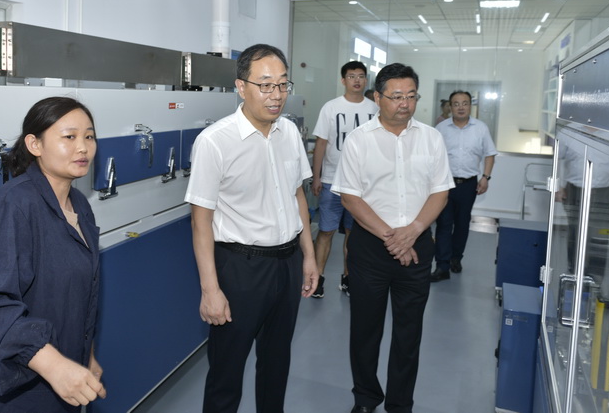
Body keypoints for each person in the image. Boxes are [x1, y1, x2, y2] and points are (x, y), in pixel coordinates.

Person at [0, 97, 106, 411]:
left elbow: (79, 295)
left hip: (59, 372)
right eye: (69, 137)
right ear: (35, 144)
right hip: (13, 386)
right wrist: (55, 365)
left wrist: (85, 354)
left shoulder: (79, 205)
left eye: (89, 136)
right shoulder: (11, 206)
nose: (83, 147)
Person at [185, 43, 319, 413]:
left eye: (283, 84)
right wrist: (210, 289)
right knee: (226, 373)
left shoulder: (288, 132)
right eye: (266, 85)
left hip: (287, 264)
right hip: (240, 269)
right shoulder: (215, 142)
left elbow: (297, 196)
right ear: (241, 87)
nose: (276, 95)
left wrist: (308, 256)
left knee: (277, 365)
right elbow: (200, 222)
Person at [332, 63, 452, 413]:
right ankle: (366, 398)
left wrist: (413, 231)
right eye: (397, 96)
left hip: (418, 245)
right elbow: (350, 198)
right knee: (365, 330)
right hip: (370, 248)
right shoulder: (359, 140)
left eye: (411, 96)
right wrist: (393, 238)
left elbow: (440, 191)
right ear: (377, 97)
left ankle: (400, 404)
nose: (405, 103)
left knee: (408, 333)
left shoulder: (431, 138)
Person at [310, 61, 378, 298]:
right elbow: (321, 143)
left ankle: (348, 278)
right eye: (351, 76)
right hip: (332, 181)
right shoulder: (331, 107)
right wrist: (316, 177)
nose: (356, 80)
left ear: (366, 80)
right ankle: (318, 279)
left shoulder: (375, 108)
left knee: (353, 233)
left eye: (360, 76)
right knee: (326, 231)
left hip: (361, 184)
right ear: (343, 80)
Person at [431, 90, 498, 281]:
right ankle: (442, 266)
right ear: (450, 107)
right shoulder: (441, 128)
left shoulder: (481, 128)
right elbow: (432, 156)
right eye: (456, 103)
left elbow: (490, 154)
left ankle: (456, 258)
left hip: (468, 185)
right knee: (444, 224)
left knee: (462, 224)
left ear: (470, 106)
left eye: (465, 103)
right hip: (445, 184)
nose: (461, 107)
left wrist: (485, 177)